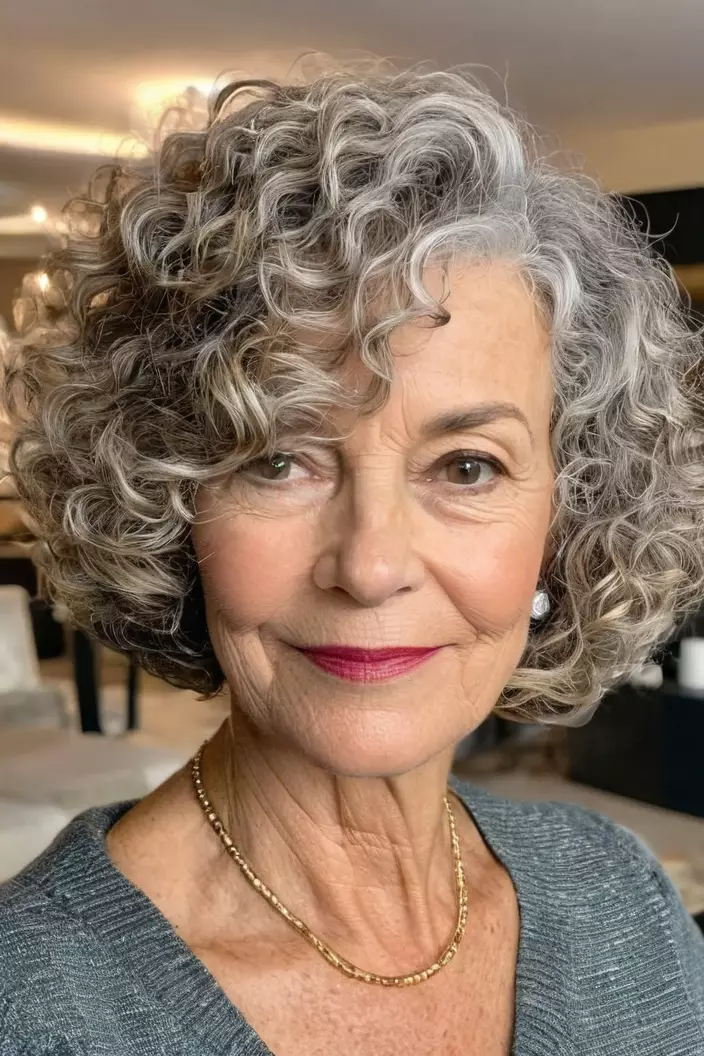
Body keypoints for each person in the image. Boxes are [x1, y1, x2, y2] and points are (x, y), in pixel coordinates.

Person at [1, 64, 704, 1056]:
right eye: (278, 459)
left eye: (466, 466)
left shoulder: (621, 897)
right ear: (169, 501)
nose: (370, 568)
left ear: (572, 512)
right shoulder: (35, 1010)